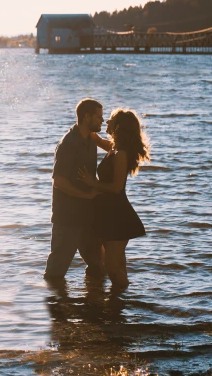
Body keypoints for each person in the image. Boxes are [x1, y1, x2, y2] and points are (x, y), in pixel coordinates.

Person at [79, 108, 150, 289]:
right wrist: (84, 121)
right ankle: (120, 302)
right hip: (108, 213)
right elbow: (96, 139)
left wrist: (91, 182)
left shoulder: (121, 154)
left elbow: (117, 188)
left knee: (111, 267)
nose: (106, 123)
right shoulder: (114, 148)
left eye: (109, 120)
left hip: (118, 215)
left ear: (118, 127)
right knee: (118, 264)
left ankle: (125, 298)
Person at [43, 98, 104, 280]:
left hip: (88, 216)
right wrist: (86, 195)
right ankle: (53, 306)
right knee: (56, 272)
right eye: (99, 117)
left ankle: (95, 305)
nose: (102, 121)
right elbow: (59, 181)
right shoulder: (68, 144)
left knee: (97, 266)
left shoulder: (90, 140)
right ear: (87, 117)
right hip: (67, 218)